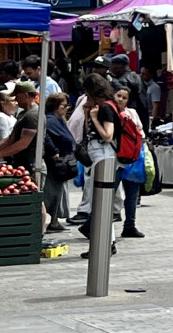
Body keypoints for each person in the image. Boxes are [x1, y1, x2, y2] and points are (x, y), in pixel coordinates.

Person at [77, 73, 122, 255]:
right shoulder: (106, 106)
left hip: (104, 156)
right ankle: (106, 242)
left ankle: (103, 244)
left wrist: (94, 118)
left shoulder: (105, 109)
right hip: (102, 156)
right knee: (101, 201)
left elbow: (108, 135)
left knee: (101, 200)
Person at [113, 87, 147, 240]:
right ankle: (91, 223)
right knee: (107, 193)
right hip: (115, 160)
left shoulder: (132, 113)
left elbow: (141, 133)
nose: (121, 99)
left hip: (133, 159)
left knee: (132, 195)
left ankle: (130, 225)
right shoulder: (109, 112)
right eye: (118, 96)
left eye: (124, 97)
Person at [43, 93, 77, 233]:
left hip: (62, 161)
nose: (66, 108)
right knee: (52, 192)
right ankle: (51, 220)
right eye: (63, 106)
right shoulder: (51, 120)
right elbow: (47, 137)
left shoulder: (58, 120)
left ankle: (54, 219)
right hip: (55, 161)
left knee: (58, 192)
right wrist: (54, 150)